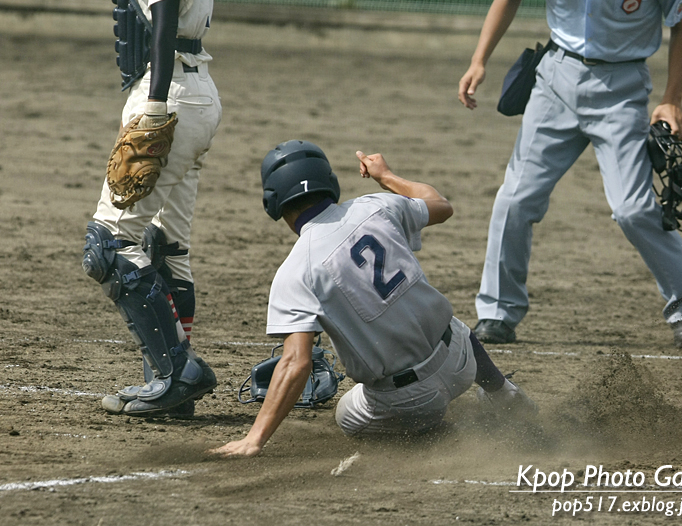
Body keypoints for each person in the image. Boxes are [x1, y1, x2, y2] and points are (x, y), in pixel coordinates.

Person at [210, 140, 537, 456]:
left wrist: (254, 439)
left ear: (273, 202)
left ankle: (448, 439)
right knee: (450, 322)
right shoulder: (377, 205)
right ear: (330, 182)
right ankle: (505, 395)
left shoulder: (294, 272)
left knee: (346, 414)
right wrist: (387, 177)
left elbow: (296, 362)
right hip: (461, 362)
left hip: (407, 401)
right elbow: (441, 206)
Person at [458, 0, 682, 348]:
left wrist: (673, 97)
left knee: (632, 209)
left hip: (622, 87)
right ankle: (497, 313)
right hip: (555, 81)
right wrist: (478, 60)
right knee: (515, 198)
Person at [81, 0, 222, 416]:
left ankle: (177, 372)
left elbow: (162, 23)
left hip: (167, 96)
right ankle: (173, 390)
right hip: (198, 94)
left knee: (108, 244)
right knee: (166, 249)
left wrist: (155, 108)